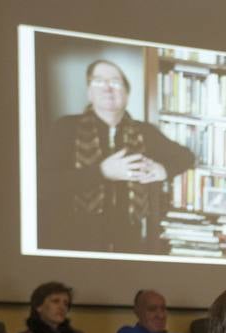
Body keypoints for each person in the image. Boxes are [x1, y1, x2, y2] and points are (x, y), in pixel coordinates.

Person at [38, 59, 195, 254]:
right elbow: (44, 184)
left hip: (129, 244)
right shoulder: (65, 128)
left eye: (115, 82)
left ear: (126, 94)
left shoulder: (145, 132)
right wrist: (102, 172)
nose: (107, 87)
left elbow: (186, 157)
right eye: (98, 81)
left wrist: (163, 170)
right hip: (73, 242)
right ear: (89, 92)